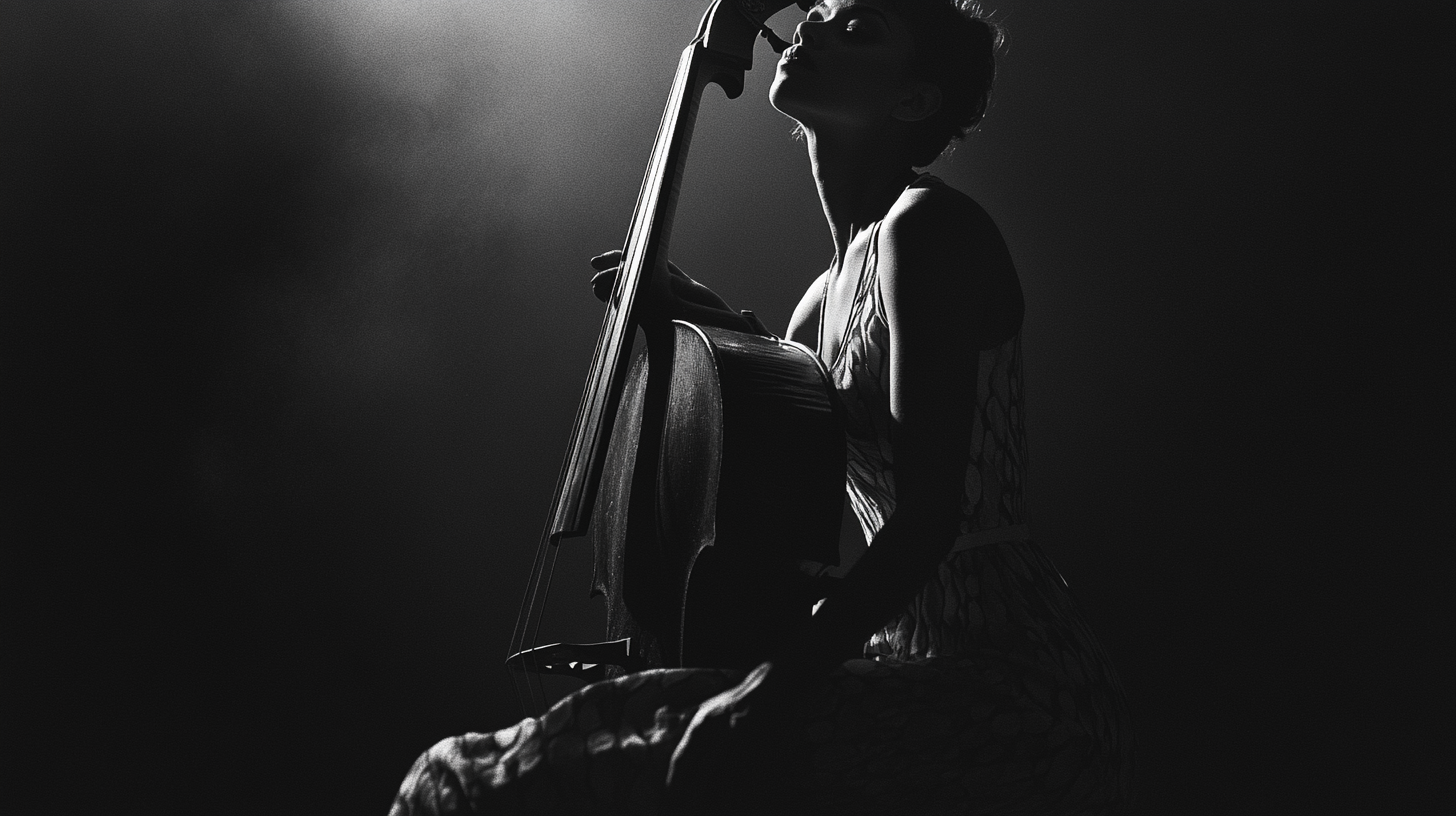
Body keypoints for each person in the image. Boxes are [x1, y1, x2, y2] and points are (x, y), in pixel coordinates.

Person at [391, 1, 1132, 813]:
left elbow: (929, 518)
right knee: (536, 762)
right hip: (897, 656)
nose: (810, 29)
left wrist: (766, 690)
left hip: (1012, 683)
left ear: (914, 101)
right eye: (815, 13)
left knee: (484, 782)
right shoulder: (819, 301)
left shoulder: (928, 228)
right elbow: (792, 453)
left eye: (858, 29)